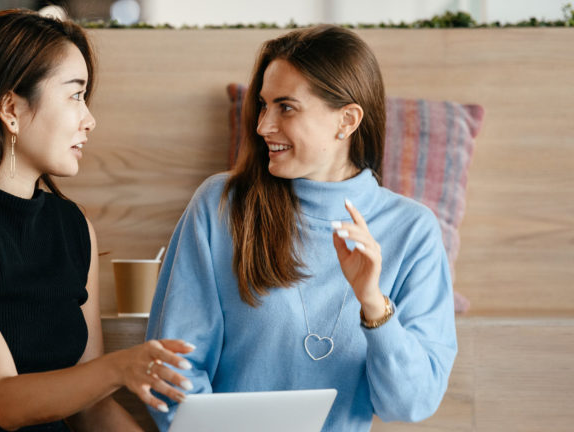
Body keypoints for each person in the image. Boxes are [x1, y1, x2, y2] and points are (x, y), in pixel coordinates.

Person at [0, 9, 194, 431]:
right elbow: (3, 400)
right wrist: (120, 368)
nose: (89, 119)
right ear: (9, 108)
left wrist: (115, 375)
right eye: (75, 95)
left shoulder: (73, 227)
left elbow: (89, 408)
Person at [146, 25, 457, 431]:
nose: (263, 126)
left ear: (347, 120)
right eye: (263, 105)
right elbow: (172, 373)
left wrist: (373, 304)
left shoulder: (413, 231)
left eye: (286, 107)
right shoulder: (221, 205)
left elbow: (410, 404)